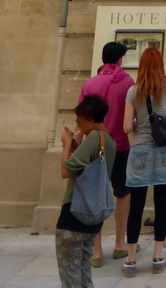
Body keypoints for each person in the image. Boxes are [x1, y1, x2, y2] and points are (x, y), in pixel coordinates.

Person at [122, 46, 166, 277]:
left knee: (136, 206)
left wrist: (140, 122)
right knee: (162, 203)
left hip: (140, 150)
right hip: (165, 152)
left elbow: (126, 127)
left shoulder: (133, 91)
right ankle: (158, 256)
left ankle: (130, 259)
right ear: (160, 65)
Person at [78, 41, 134, 266]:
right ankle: (120, 244)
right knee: (122, 193)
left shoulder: (89, 83)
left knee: (95, 196)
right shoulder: (128, 83)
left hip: (94, 146)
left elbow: (81, 118)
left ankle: (96, 250)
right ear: (120, 59)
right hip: (120, 145)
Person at [55, 94, 116, 288]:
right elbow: (88, 167)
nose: (78, 124)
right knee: (83, 275)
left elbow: (65, 171)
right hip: (93, 216)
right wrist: (75, 147)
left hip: (74, 213)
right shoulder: (109, 141)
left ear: (89, 117)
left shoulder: (92, 138)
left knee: (70, 277)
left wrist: (66, 143)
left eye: (79, 120)